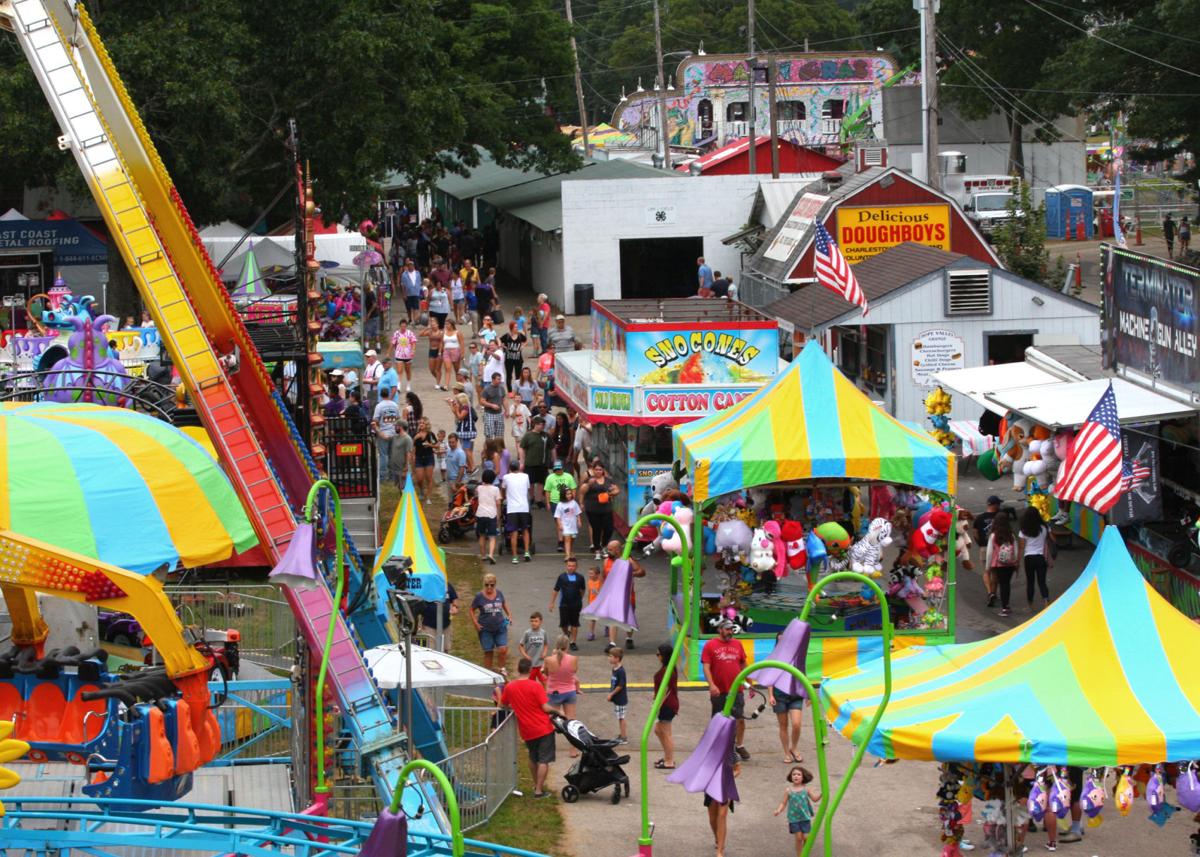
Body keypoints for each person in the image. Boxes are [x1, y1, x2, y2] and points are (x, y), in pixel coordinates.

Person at [498, 657, 559, 798]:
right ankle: (538, 790)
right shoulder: (536, 686)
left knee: (533, 757)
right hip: (543, 727)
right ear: (531, 670)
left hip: (526, 729)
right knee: (544, 759)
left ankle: (536, 784)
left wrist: (513, 707)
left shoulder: (510, 687)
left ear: (519, 669)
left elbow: (502, 704)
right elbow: (545, 707)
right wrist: (558, 711)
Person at [702, 617, 750, 761]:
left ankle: (738, 745)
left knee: (739, 719)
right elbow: (706, 666)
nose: (730, 631)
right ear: (720, 630)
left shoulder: (737, 644)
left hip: (736, 690)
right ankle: (717, 747)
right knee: (718, 720)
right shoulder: (710, 645)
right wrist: (711, 684)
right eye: (727, 629)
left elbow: (743, 663)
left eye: (731, 629)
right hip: (719, 690)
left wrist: (750, 682)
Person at [604, 540, 644, 650]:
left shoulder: (628, 560)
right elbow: (604, 576)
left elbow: (641, 572)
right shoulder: (607, 561)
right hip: (613, 595)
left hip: (627, 594)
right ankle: (612, 643)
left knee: (629, 616)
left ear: (618, 550)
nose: (608, 551)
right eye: (608, 549)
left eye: (611, 549)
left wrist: (631, 573)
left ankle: (629, 638)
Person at [543, 635, 580, 756]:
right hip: (569, 691)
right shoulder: (574, 659)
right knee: (571, 720)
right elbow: (573, 671)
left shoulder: (549, 660)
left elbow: (546, 673)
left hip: (554, 692)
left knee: (550, 721)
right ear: (567, 646)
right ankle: (573, 750)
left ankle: (549, 749)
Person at [774, 766, 820, 855]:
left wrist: (822, 794)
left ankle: (805, 851)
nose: (796, 776)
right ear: (791, 777)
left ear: (803, 777)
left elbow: (815, 799)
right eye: (794, 774)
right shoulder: (788, 790)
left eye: (799, 774)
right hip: (793, 818)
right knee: (799, 838)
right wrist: (778, 810)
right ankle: (800, 855)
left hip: (805, 817)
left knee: (806, 838)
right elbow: (783, 803)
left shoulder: (806, 789)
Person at [471, 573, 512, 672]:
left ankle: (502, 671)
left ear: (495, 584)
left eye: (492, 585)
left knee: (503, 649)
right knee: (488, 652)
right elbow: (471, 609)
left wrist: (509, 615)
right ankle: (488, 674)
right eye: (486, 585)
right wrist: (476, 623)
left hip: (500, 627)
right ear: (484, 584)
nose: (489, 587)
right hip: (485, 629)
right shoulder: (479, 596)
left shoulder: (499, 593)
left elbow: (503, 603)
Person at [579, 460, 619, 560]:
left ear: (603, 470)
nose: (598, 471)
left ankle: (603, 545)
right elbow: (582, 491)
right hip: (592, 508)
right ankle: (597, 550)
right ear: (593, 470)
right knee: (596, 529)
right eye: (596, 469)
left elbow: (616, 490)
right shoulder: (590, 480)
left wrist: (612, 493)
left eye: (600, 469)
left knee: (609, 529)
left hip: (606, 508)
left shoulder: (608, 480)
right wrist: (588, 485)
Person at [985, 510, 1020, 617]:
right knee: (1006, 584)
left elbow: (989, 552)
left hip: (999, 564)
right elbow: (1016, 551)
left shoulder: (993, 536)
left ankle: (1005, 608)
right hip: (1010, 564)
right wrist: (1015, 562)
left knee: (1002, 585)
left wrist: (988, 567)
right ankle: (1006, 605)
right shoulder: (1011, 535)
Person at [1019, 505, 1054, 610]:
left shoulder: (1024, 530)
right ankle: (1046, 599)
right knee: (1042, 581)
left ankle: (1031, 603)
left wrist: (1017, 561)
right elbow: (1053, 539)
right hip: (1041, 557)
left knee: (1030, 582)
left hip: (1028, 558)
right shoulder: (1044, 527)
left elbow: (1021, 547)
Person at [767, 668, 805, 763]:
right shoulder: (778, 659)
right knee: (783, 725)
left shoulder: (796, 658)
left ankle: (794, 748)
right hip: (779, 696)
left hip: (795, 696)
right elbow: (771, 678)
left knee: (796, 724)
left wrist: (807, 694)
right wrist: (771, 695)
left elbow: (803, 676)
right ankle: (787, 752)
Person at [549, 555, 585, 648]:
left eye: (573, 566)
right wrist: (552, 602)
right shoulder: (562, 577)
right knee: (563, 624)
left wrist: (579, 600)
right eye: (569, 565)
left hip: (576, 604)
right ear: (566, 566)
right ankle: (567, 633)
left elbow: (582, 590)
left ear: (576, 567)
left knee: (574, 623)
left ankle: (573, 642)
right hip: (564, 604)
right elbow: (556, 590)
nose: (571, 567)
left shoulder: (580, 578)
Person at [652, 642, 679, 770]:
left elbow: (664, 690)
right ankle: (668, 757)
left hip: (667, 704)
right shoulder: (669, 669)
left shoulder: (667, 671)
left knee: (665, 732)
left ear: (664, 656)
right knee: (658, 730)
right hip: (668, 704)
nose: (657, 657)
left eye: (658, 654)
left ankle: (669, 760)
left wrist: (656, 707)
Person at [502, 459, 533, 563]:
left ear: (510, 468)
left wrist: (504, 497)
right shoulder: (525, 476)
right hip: (524, 507)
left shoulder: (506, 477)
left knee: (513, 532)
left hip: (512, 509)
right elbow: (528, 488)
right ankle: (527, 551)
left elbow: (503, 489)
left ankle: (515, 556)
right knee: (525, 530)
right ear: (519, 467)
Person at [974, 495, 1003, 607]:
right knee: (995, 572)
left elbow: (975, 533)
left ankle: (989, 592)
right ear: (995, 505)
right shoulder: (1001, 516)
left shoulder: (980, 518)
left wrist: (981, 543)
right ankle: (994, 593)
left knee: (986, 571)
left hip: (984, 547)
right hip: (998, 548)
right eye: (998, 504)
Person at [519, 416, 551, 508]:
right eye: (541, 424)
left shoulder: (546, 435)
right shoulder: (528, 435)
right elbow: (521, 448)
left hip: (542, 463)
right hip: (530, 463)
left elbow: (552, 448)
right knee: (531, 482)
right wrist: (522, 461)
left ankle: (539, 499)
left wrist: (554, 459)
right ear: (535, 424)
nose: (543, 426)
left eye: (543, 425)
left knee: (541, 482)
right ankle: (531, 498)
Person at [420, 581, 458, 652]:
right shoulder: (426, 585)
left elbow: (454, 598)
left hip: (446, 625)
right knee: (429, 650)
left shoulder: (447, 584)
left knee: (446, 649)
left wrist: (455, 607)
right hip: (429, 626)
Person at [371, 387, 401, 476]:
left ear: (380, 394)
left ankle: (383, 476)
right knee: (392, 455)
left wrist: (379, 432)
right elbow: (398, 419)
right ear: (389, 394)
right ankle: (393, 475)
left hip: (384, 433)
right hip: (394, 434)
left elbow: (374, 421)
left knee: (383, 456)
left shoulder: (379, 406)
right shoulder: (395, 405)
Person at [475, 470, 501, 563]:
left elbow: (476, 494)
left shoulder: (479, 488)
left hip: (480, 513)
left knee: (482, 535)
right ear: (493, 479)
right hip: (491, 514)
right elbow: (498, 503)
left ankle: (483, 555)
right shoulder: (496, 489)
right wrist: (498, 515)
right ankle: (491, 554)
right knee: (492, 536)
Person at [451, 389, 477, 471]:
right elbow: (456, 414)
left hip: (467, 430)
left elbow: (460, 417)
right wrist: (453, 407)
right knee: (466, 449)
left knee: (466, 449)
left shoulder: (465, 407)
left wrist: (456, 408)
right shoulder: (464, 407)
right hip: (465, 430)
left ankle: (472, 466)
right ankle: (470, 467)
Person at [607, 646, 629, 744]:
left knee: (621, 718)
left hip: (621, 699)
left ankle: (624, 738)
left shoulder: (620, 671)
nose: (609, 658)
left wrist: (611, 694)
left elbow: (620, 685)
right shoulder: (615, 669)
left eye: (610, 656)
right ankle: (622, 735)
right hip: (617, 698)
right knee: (620, 717)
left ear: (617, 658)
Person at [519, 612, 548, 685]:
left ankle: (545, 695)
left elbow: (546, 644)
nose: (533, 623)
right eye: (531, 621)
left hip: (540, 663)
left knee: (544, 680)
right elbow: (520, 646)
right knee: (532, 682)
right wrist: (525, 656)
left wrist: (544, 652)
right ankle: (533, 695)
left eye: (536, 621)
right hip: (530, 664)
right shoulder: (527, 633)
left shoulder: (543, 632)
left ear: (541, 622)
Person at [553, 486, 582, 558]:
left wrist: (579, 521)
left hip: (573, 525)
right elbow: (558, 516)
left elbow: (577, 513)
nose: (569, 495)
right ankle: (567, 555)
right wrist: (560, 525)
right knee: (567, 540)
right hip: (565, 525)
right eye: (567, 494)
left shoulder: (574, 503)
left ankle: (570, 551)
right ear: (563, 495)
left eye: (570, 494)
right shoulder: (560, 504)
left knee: (572, 539)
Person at [391, 319, 418, 391]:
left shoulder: (410, 333)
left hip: (408, 355)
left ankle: (408, 384)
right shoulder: (396, 333)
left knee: (408, 370)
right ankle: (399, 385)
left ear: (406, 326)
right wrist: (389, 352)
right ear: (399, 326)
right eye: (402, 326)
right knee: (399, 370)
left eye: (404, 326)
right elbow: (393, 343)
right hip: (399, 354)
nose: (403, 328)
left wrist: (413, 350)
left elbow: (414, 342)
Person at [387, 421, 414, 489]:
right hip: (395, 468)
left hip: (403, 468)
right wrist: (376, 428)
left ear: (400, 427)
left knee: (405, 488)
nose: (394, 428)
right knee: (399, 487)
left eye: (396, 426)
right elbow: (385, 437)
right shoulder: (395, 437)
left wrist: (406, 469)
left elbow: (409, 454)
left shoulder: (407, 439)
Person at [438, 319, 463, 391]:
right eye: (445, 324)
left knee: (457, 370)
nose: (446, 326)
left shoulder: (457, 333)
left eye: (448, 324)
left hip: (456, 350)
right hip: (446, 351)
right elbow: (442, 343)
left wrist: (462, 353)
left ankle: (459, 384)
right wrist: (440, 352)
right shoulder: (444, 333)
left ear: (452, 325)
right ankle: (446, 385)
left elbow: (461, 343)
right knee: (447, 369)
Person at [500, 321, 526, 388]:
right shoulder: (507, 336)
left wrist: (522, 346)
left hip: (518, 359)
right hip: (509, 359)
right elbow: (499, 340)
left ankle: (517, 389)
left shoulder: (520, 335)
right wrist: (504, 346)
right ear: (511, 328)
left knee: (518, 375)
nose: (516, 328)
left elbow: (525, 340)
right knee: (509, 375)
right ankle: (510, 391)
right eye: (515, 327)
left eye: (517, 327)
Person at [481, 372, 506, 440]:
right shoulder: (487, 389)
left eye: (500, 379)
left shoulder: (501, 388)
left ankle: (498, 449)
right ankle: (489, 449)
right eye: (498, 379)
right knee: (489, 433)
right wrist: (491, 405)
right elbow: (482, 401)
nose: (500, 381)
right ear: (493, 379)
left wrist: (507, 410)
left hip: (499, 414)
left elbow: (503, 400)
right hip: (489, 414)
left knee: (499, 434)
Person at [421, 317, 443, 386]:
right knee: (432, 369)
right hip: (431, 350)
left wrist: (440, 352)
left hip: (438, 350)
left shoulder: (441, 332)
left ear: (437, 324)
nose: (433, 325)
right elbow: (420, 334)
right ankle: (438, 379)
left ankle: (438, 383)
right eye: (431, 323)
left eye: (434, 323)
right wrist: (426, 328)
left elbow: (442, 343)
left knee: (438, 369)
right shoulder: (430, 332)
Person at [400, 258, 423, 323]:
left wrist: (421, 292)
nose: (410, 266)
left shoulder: (417, 273)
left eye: (411, 265)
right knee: (409, 308)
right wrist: (404, 294)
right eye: (409, 265)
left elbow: (419, 283)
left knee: (416, 307)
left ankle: (415, 320)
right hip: (408, 293)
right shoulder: (404, 274)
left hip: (416, 292)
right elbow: (403, 285)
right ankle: (410, 319)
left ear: (413, 266)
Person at [585, 566, 603, 642]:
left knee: (604, 617)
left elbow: (603, 593)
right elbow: (589, 592)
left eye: (592, 574)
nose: (590, 575)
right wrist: (589, 602)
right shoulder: (589, 582)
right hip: (593, 603)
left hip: (601, 603)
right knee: (592, 619)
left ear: (597, 574)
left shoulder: (600, 582)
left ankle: (607, 627)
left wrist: (598, 593)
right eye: (589, 573)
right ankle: (591, 633)